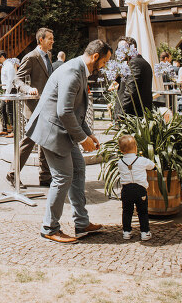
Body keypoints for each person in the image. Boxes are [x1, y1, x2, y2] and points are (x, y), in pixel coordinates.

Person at [26, 39, 112, 244]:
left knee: (79, 169)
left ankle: (81, 223)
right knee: (63, 177)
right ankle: (49, 227)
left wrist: (88, 133)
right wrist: (83, 139)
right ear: (95, 57)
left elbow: (75, 110)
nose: (105, 66)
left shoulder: (80, 70)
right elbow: (64, 111)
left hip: (63, 130)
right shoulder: (73, 72)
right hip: (52, 131)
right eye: (105, 62)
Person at [9, 28, 55, 189]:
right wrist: (28, 89)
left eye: (52, 38)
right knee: (29, 141)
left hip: (47, 106)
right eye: (49, 38)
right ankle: (13, 174)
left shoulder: (48, 56)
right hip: (34, 106)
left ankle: (45, 176)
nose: (52, 41)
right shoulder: (31, 57)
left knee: (45, 142)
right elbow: (17, 79)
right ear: (40, 40)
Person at [116, 135, 156, 241]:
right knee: (142, 211)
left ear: (121, 150)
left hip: (126, 190)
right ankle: (145, 232)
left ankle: (126, 232)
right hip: (140, 190)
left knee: (127, 211)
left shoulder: (120, 162)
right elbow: (152, 166)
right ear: (136, 148)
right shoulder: (142, 160)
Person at [117, 37, 153, 117]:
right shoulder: (142, 62)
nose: (119, 52)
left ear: (132, 48)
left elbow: (130, 91)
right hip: (139, 114)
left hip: (132, 115)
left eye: (122, 49)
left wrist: (121, 114)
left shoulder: (134, 63)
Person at [0, 50, 15, 136]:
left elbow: (10, 81)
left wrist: (7, 94)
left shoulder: (9, 66)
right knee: (2, 108)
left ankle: (14, 131)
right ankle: (5, 129)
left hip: (10, 90)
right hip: (5, 90)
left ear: (2, 57)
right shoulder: (4, 65)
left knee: (9, 110)